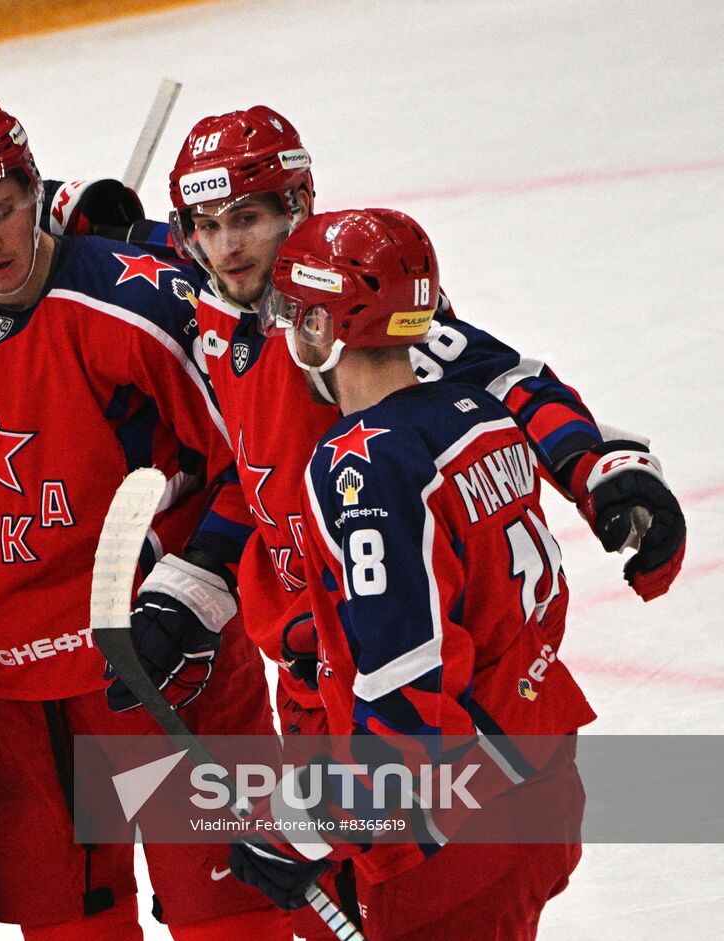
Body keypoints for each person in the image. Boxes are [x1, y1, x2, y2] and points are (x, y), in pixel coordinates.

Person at [162, 105, 685, 939]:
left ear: (296, 210)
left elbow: (509, 380)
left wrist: (601, 470)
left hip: (393, 692)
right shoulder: (220, 297)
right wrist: (80, 209)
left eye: (250, 220)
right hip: (320, 685)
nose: (229, 247)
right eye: (208, 226)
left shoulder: (350, 314)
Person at [0, 92, 286, 941]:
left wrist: (198, 587)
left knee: (233, 919)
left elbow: (256, 464)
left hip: (168, 665)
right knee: (69, 928)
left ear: (37, 188)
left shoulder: (141, 308)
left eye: (2, 210)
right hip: (25, 700)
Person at [225, 208, 596, 940]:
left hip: (455, 827)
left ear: (326, 329)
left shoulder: (364, 462)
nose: (282, 327)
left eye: (294, 311)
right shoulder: (483, 413)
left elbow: (408, 688)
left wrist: (308, 823)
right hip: (542, 769)